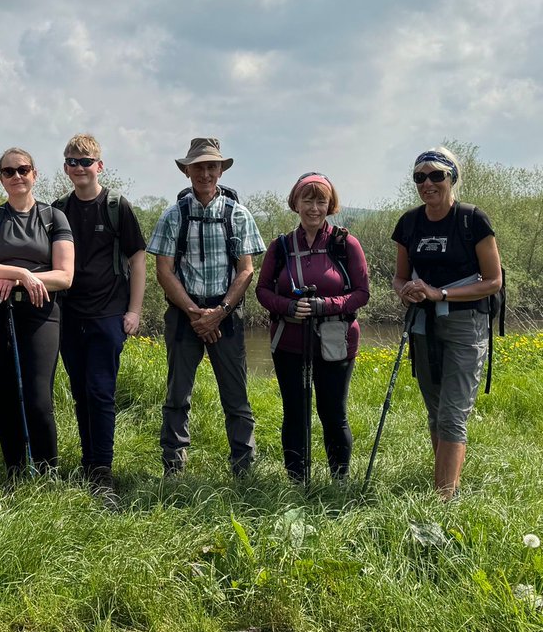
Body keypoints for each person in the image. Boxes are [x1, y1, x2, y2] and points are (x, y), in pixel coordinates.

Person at [147, 137, 266, 476]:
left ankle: (243, 468)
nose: (205, 173)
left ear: (220, 170)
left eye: (211, 166)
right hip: (184, 315)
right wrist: (194, 313)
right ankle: (174, 467)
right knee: (177, 394)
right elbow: (164, 271)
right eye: (198, 167)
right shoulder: (173, 216)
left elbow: (246, 271)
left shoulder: (237, 214)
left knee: (236, 395)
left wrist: (219, 312)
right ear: (187, 172)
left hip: (225, 315)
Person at [392, 146, 502, 499]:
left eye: (436, 175)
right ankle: (443, 486)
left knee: (452, 414)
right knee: (436, 411)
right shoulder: (409, 223)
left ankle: (443, 500)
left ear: (452, 178)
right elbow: (399, 277)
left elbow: (493, 281)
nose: (428, 183)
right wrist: (406, 291)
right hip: (424, 325)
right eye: (420, 177)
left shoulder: (472, 219)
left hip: (466, 324)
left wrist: (440, 294)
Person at [255, 173, 370, 483]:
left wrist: (324, 306)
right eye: (308, 200)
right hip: (289, 342)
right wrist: (287, 307)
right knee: (295, 413)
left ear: (330, 205)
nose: (314, 208)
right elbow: (262, 290)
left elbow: (362, 294)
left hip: (336, 342)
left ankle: (339, 481)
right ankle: (297, 482)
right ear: (296, 203)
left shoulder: (346, 244)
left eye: (321, 201)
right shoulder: (281, 246)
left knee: (333, 413)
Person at [53, 134, 148, 496]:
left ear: (99, 166)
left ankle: (103, 470)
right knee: (81, 392)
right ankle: (88, 461)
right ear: (65, 168)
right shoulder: (58, 209)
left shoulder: (116, 206)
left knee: (101, 391)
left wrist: (134, 311)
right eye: (72, 162)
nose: (79, 168)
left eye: (86, 162)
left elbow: (138, 259)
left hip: (108, 313)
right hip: (68, 313)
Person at [0, 148, 74, 476]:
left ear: (34, 174)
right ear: (1, 179)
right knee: (4, 394)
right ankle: (14, 472)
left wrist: (18, 278)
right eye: (9, 171)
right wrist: (21, 274)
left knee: (38, 397)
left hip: (41, 311)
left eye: (23, 169)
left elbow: (65, 276)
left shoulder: (53, 217)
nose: (17, 176)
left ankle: (47, 473)